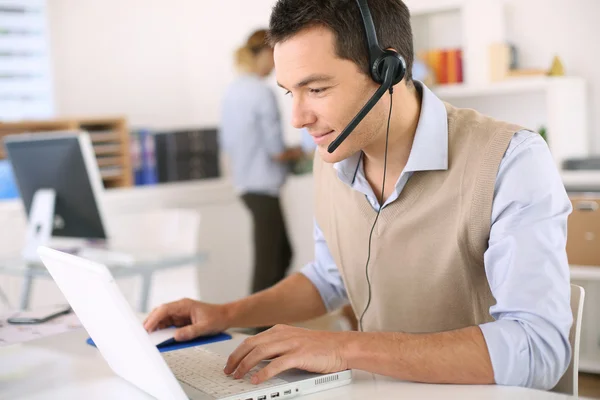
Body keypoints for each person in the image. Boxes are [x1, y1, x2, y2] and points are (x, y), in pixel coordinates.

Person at [145, 0, 572, 390]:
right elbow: (331, 278)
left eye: (316, 89)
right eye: (289, 92)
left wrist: (343, 348)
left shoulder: (510, 160)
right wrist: (225, 314)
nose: (297, 117)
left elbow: (538, 349)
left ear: (389, 70)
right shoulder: (332, 156)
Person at [219, 29, 304, 296]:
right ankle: (258, 329)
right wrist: (302, 151)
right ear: (268, 53)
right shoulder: (261, 93)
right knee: (270, 264)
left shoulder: (233, 91)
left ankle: (264, 324)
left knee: (280, 254)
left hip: (245, 183)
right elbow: (276, 149)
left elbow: (229, 142)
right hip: (263, 185)